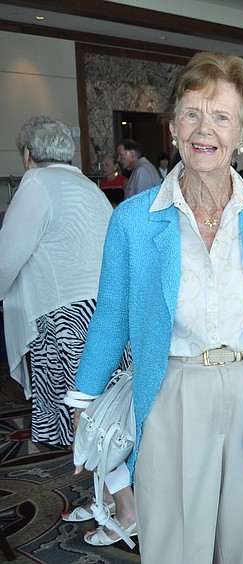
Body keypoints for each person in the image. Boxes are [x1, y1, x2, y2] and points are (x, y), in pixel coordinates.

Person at [74, 52, 243, 562]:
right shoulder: (134, 220)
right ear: (174, 125)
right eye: (193, 114)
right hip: (170, 390)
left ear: (242, 135)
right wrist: (83, 398)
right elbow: (111, 314)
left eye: (223, 117)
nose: (206, 129)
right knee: (175, 543)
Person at [0, 116, 114, 447]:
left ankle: (115, 498)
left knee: (81, 419)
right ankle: (114, 496)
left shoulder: (37, 182)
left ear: (26, 154)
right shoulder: (90, 187)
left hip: (67, 317)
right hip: (105, 311)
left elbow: (7, 256)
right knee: (104, 413)